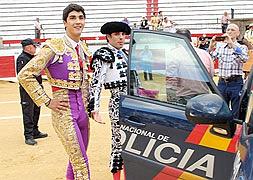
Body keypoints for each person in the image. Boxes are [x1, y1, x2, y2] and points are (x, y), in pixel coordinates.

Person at [18, 4, 92, 180]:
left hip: (83, 113)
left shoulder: (82, 47)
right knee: (81, 162)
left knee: (75, 160)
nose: (78, 21)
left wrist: (91, 107)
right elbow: (25, 75)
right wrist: (47, 101)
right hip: (64, 112)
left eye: (81, 17)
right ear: (65, 22)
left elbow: (86, 81)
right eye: (73, 18)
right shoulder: (54, 47)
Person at [88, 21, 131, 179]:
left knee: (132, 140)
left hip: (132, 103)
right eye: (116, 35)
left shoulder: (126, 53)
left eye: (122, 35)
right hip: (117, 103)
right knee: (118, 141)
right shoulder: (103, 54)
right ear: (108, 37)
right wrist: (94, 109)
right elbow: (97, 82)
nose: (121, 38)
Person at [208, 23, 248, 118]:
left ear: (238, 33)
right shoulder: (220, 47)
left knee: (236, 112)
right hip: (222, 83)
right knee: (221, 110)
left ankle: (235, 131)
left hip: (236, 83)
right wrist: (210, 47)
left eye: (232, 30)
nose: (229, 32)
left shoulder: (242, 47)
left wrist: (232, 44)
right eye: (228, 30)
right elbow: (210, 59)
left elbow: (245, 58)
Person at [16, 38, 48, 146]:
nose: (35, 48)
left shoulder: (31, 57)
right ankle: (28, 135)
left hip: (36, 88)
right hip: (27, 90)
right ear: (28, 47)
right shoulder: (22, 58)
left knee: (36, 109)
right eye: (34, 46)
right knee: (28, 112)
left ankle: (35, 131)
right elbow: (23, 77)